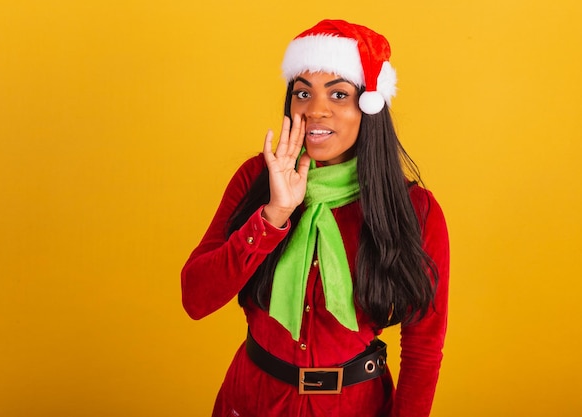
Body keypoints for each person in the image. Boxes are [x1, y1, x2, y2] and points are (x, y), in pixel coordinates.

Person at [181, 19, 449, 417]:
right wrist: (273, 216)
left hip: (354, 406)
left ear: (368, 108)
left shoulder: (416, 210)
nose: (315, 110)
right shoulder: (257, 178)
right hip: (253, 399)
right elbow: (196, 298)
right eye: (302, 93)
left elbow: (424, 347)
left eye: (338, 94)